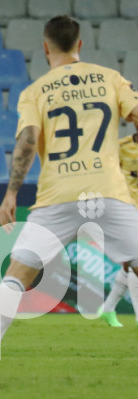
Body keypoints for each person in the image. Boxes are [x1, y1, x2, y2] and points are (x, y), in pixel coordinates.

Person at [0, 15, 138, 377]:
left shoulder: (36, 91)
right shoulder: (110, 78)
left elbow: (28, 141)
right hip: (107, 190)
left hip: (57, 195)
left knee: (16, 276)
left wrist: (11, 193)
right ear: (80, 45)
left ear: (45, 47)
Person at [97, 132, 138, 327]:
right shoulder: (120, 147)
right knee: (135, 259)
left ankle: (108, 308)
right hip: (129, 209)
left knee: (129, 265)